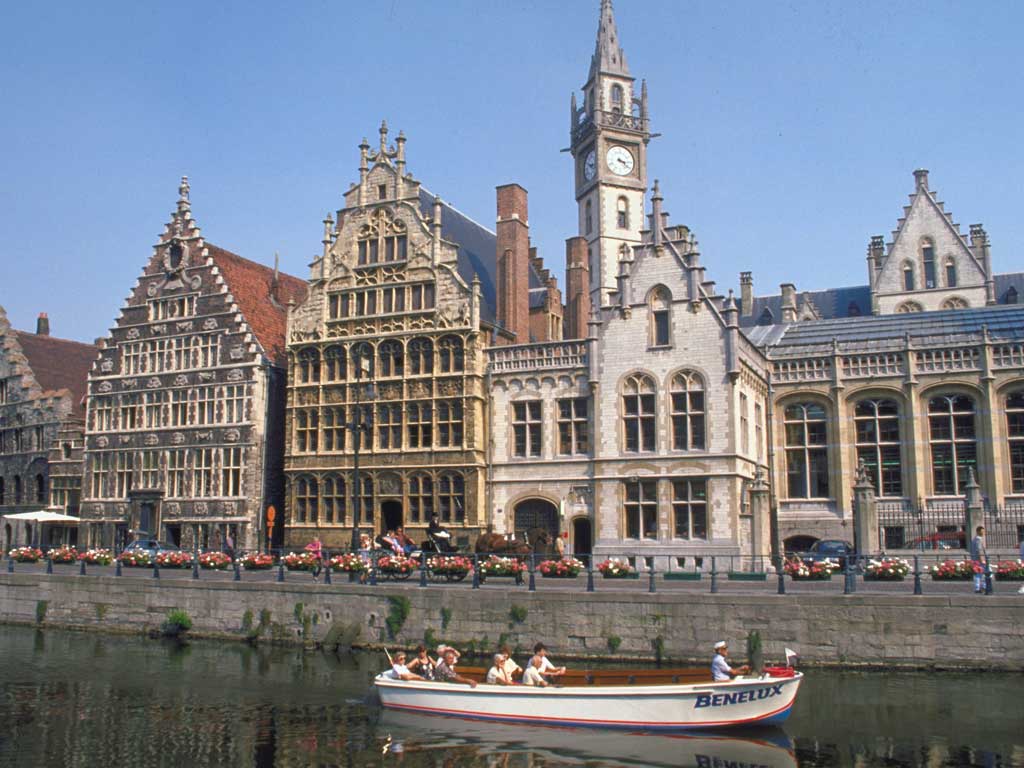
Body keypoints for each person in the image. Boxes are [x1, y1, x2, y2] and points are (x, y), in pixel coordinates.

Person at [970, 525, 987, 594]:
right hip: (979, 560)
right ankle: (983, 587)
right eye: (982, 531)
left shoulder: (974, 540)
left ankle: (978, 587)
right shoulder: (978, 540)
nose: (983, 533)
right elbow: (979, 550)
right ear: (978, 532)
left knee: (978, 574)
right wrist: (982, 559)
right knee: (983, 574)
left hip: (975, 559)